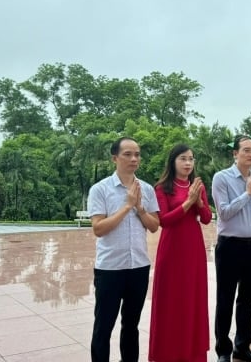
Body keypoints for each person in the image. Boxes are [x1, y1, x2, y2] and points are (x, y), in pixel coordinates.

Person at [88, 137, 160, 362]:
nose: (134, 159)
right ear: (115, 158)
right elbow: (99, 228)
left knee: (131, 325)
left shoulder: (146, 189)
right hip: (110, 268)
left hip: (138, 267)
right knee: (104, 326)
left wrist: (139, 208)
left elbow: (154, 225)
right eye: (128, 154)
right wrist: (127, 205)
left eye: (137, 154)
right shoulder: (100, 189)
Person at [149, 144, 212, 362]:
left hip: (193, 249)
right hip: (172, 249)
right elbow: (164, 221)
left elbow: (205, 218)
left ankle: (192, 353)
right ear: (173, 161)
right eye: (183, 159)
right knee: (171, 301)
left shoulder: (198, 186)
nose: (188, 163)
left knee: (192, 299)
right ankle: (168, 353)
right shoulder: (162, 187)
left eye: (191, 159)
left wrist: (200, 201)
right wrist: (187, 203)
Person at [211, 135, 251, 362]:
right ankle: (223, 351)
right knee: (225, 298)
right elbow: (224, 212)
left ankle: (243, 347)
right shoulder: (222, 178)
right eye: (246, 150)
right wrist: (247, 193)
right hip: (230, 246)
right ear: (235, 154)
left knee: (248, 299)